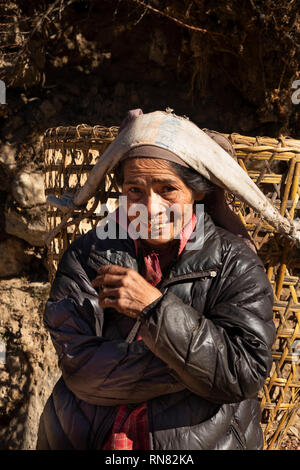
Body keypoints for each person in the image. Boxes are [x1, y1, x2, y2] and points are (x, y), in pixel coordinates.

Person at [37, 110, 275, 450]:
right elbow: (81, 369)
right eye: (136, 190)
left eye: (168, 189)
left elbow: (244, 373)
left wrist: (153, 308)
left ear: (197, 192)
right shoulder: (89, 254)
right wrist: (195, 371)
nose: (151, 207)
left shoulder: (234, 262)